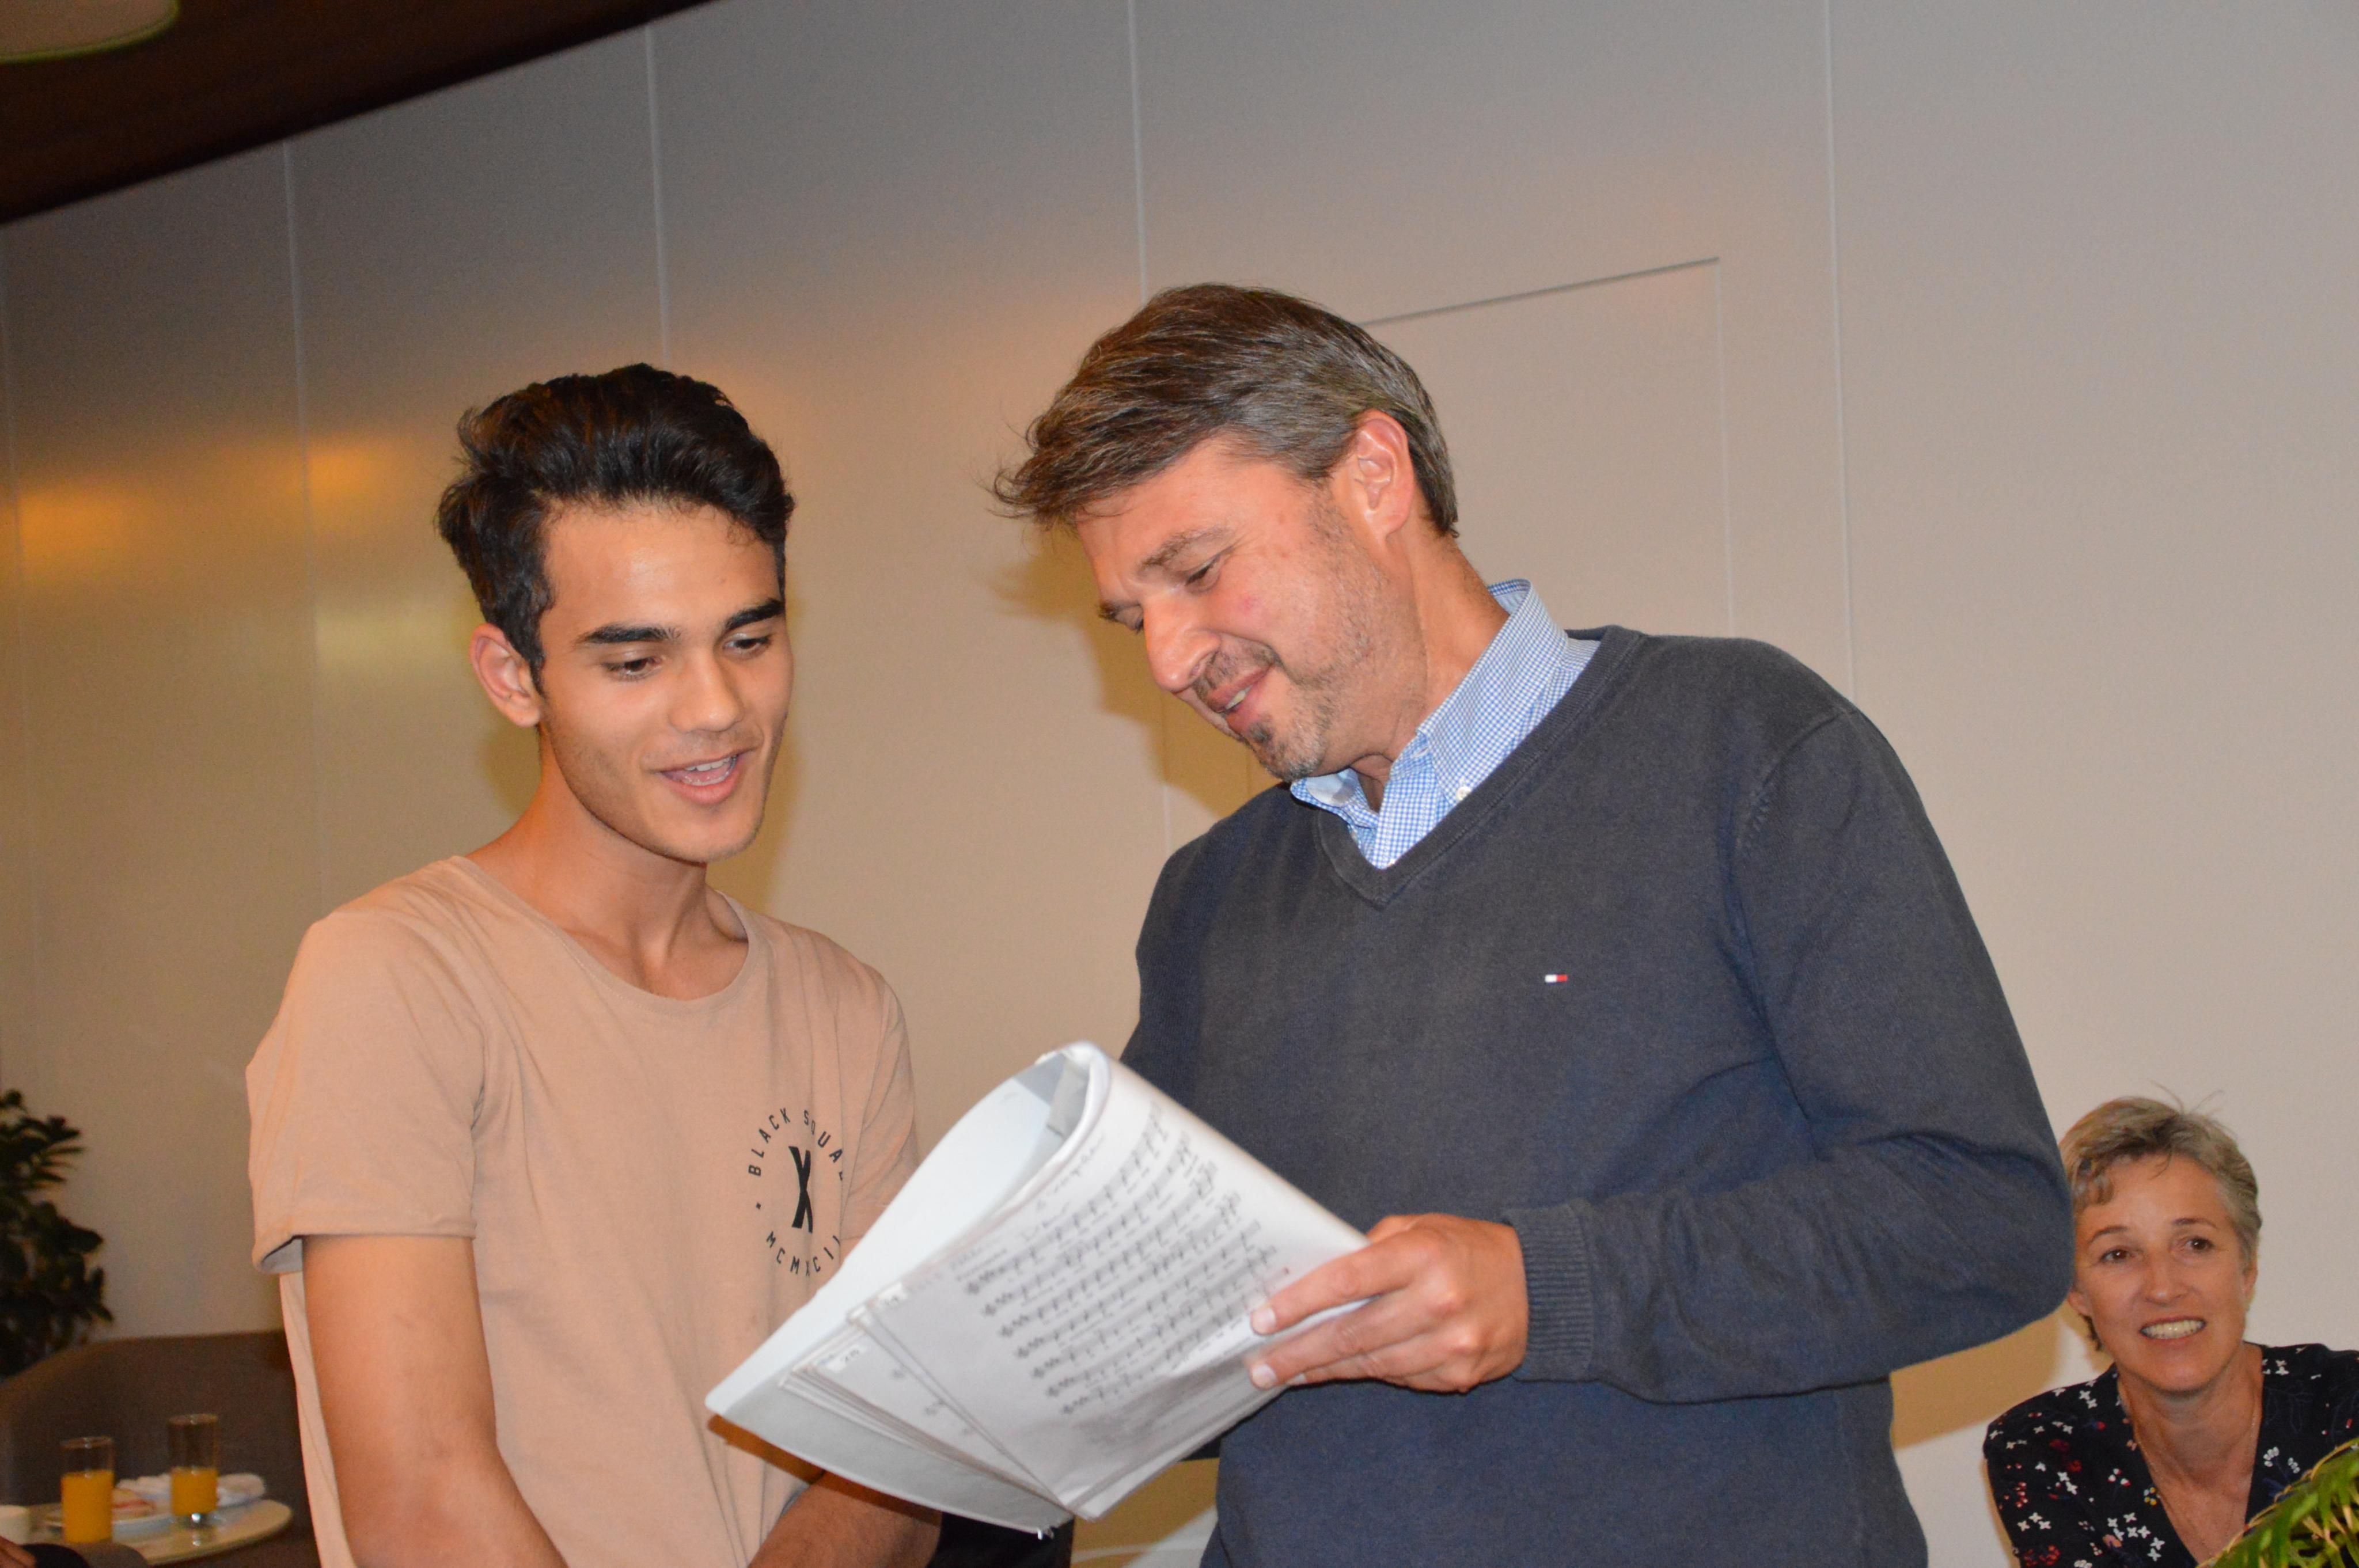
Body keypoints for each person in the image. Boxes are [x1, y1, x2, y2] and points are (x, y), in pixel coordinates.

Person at [994, 283, 2077, 1565]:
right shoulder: (1208, 899)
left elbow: (1982, 1221)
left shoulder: (1743, 748)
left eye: (1194, 571)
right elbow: (1194, 1352)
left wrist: (1545, 1289)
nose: (1169, 659)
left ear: (1374, 475)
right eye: (1135, 618)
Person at [246, 367, 940, 1568]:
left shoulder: (846, 1007)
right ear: (513, 676)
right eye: (634, 662)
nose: (716, 707)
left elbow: (895, 1457)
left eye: (749, 639)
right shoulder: (394, 976)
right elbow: (421, 1497)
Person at [1985, 1098, 2359, 1566]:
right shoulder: (2046, 1450)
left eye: (2195, 1244)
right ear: (2075, 1289)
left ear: (2247, 1267)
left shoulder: (2347, 1406)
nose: (2163, 1288)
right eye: (2118, 1254)